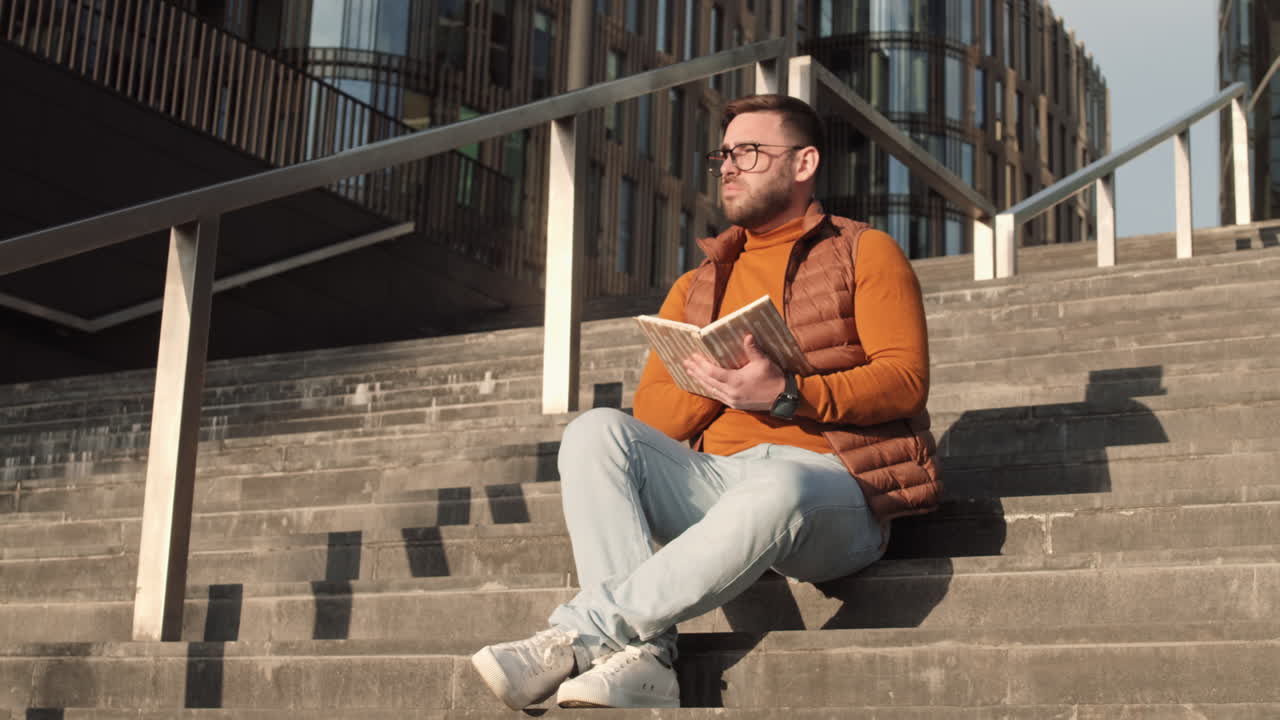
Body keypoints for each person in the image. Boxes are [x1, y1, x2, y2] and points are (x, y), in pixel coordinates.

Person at [471, 93, 940, 710]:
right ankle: (647, 660)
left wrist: (785, 396)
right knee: (595, 432)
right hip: (717, 481)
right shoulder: (696, 285)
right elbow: (656, 417)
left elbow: (905, 379)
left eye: (749, 151)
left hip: (835, 488)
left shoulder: (864, 250)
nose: (728, 166)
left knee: (775, 488)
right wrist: (717, 382)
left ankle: (582, 635)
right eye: (724, 153)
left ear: (803, 164)